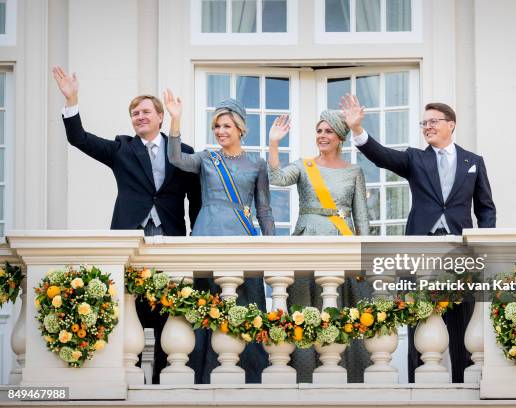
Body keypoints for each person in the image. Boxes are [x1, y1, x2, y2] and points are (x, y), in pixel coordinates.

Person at [52, 67, 201, 384]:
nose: (139, 117)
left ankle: (164, 383)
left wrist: (195, 239)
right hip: (130, 244)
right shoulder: (122, 149)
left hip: (170, 243)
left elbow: (196, 201)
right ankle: (125, 380)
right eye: (135, 114)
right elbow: (79, 138)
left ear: (161, 116)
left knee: (167, 317)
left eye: (146, 111)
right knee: (127, 313)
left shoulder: (185, 154)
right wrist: (72, 99)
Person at [341, 94, 496, 383]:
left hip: (459, 256)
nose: (427, 127)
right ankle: (417, 388)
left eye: (433, 121)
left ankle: (464, 388)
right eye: (423, 123)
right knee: (419, 320)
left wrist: (482, 245)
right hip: (419, 253)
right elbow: (383, 155)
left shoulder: (473, 162)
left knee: (461, 326)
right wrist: (358, 131)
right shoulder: (415, 158)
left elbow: (486, 209)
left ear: (451, 124)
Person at [164, 90, 274, 383]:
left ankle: (252, 375)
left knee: (244, 305)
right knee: (205, 307)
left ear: (240, 128)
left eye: (226, 126)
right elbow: (175, 158)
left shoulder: (257, 164)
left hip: (242, 236)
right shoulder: (206, 159)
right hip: (207, 233)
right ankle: (203, 375)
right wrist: (175, 120)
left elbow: (264, 209)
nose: (220, 131)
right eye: (216, 126)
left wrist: (272, 245)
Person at [267, 110, 371, 382]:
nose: (322, 136)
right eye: (319, 131)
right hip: (307, 239)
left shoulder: (354, 171)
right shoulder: (304, 166)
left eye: (328, 132)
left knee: (342, 308)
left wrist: (366, 254)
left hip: (341, 241)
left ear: (340, 138)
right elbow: (276, 178)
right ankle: (304, 375)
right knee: (304, 308)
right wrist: (274, 143)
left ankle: (350, 376)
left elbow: (361, 216)